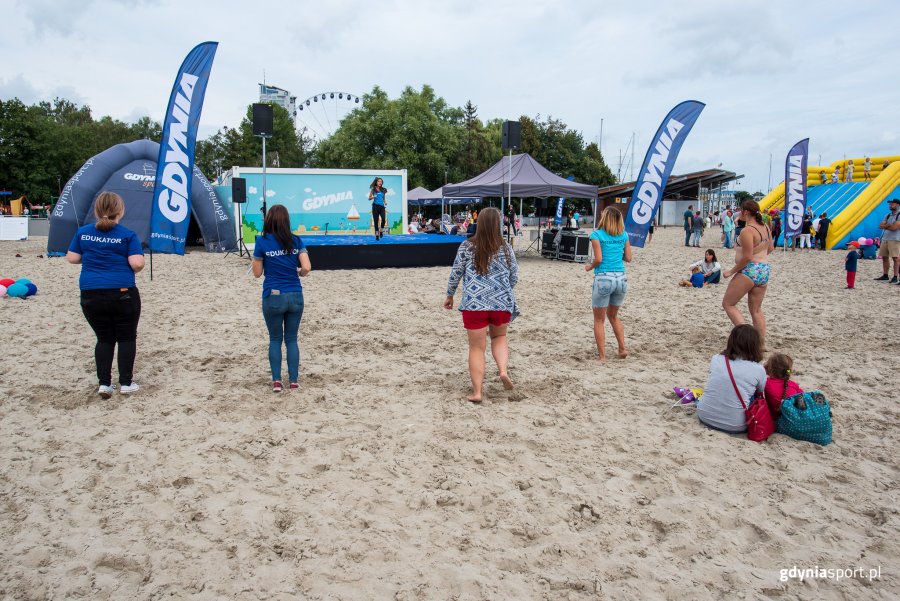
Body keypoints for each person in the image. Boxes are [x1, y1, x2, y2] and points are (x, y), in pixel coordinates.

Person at [66, 191, 144, 398]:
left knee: (104, 338)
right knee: (127, 337)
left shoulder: (83, 232)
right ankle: (126, 383)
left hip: (91, 292)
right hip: (122, 291)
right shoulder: (127, 235)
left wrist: (94, 257)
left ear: (97, 210)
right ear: (120, 211)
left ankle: (104, 384)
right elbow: (136, 264)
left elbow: (72, 258)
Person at [444, 207, 518, 403]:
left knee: (477, 348)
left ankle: (477, 392)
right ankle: (502, 371)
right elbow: (514, 277)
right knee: (499, 337)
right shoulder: (506, 248)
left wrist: (450, 295)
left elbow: (456, 273)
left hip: (474, 304)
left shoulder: (466, 246)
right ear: (498, 224)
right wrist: (501, 291)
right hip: (501, 303)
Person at [252, 204, 312, 392]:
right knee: (292, 339)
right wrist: (299, 272)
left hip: (273, 296)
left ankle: (277, 381)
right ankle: (293, 381)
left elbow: (257, 273)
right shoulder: (295, 241)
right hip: (295, 294)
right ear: (287, 220)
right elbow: (307, 268)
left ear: (268, 220)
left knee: (275, 339)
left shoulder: (262, 242)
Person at [722, 200, 775, 346]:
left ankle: (748, 340)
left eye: (740, 210)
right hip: (763, 269)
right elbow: (770, 248)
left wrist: (731, 271)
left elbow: (747, 257)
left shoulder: (748, 230)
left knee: (728, 304)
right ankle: (761, 344)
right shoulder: (765, 226)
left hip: (749, 270)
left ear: (745, 212)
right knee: (756, 310)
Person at [696, 324, 767, 434]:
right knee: (752, 392)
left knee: (721, 385)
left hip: (704, 415)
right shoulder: (758, 369)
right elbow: (761, 391)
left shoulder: (716, 359)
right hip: (736, 425)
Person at [585, 206, 632, 362]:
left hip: (604, 277)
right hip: (621, 278)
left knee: (599, 320)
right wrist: (617, 252)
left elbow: (598, 259)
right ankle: (622, 348)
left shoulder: (596, 235)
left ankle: (602, 357)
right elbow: (629, 258)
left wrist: (589, 267)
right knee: (613, 316)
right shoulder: (623, 235)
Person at [763, 353, 803, 419]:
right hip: (794, 419)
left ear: (769, 369)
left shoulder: (767, 384)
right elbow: (802, 396)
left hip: (775, 421)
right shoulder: (793, 384)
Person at [874, 198, 900, 283]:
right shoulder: (888, 215)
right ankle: (885, 275)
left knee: (895, 258)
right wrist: (889, 225)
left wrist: (887, 225)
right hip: (885, 238)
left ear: (897, 204)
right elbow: (880, 225)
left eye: (892, 204)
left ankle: (895, 276)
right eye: (890, 204)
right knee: (884, 257)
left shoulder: (899, 215)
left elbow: (894, 228)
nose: (890, 205)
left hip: (895, 239)